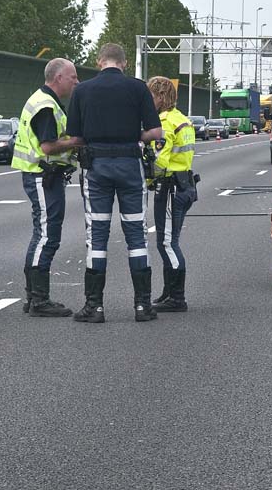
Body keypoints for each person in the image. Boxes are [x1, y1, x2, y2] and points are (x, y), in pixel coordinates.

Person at [66, 43, 163, 323]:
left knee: (96, 235)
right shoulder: (137, 88)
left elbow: (75, 137)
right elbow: (155, 131)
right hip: (130, 166)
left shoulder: (82, 91)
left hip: (96, 167)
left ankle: (94, 307)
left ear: (99, 62)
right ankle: (143, 306)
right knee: (136, 234)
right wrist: (134, 137)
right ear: (125, 63)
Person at [11, 58, 82, 317]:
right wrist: (77, 141)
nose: (76, 81)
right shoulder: (45, 106)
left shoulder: (46, 101)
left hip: (42, 176)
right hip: (43, 175)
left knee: (42, 234)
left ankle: (34, 297)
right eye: (73, 76)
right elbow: (48, 146)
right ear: (58, 77)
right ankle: (39, 300)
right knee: (46, 236)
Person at [145, 76, 197, 313]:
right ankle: (168, 293)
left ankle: (177, 297)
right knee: (168, 241)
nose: (148, 101)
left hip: (170, 187)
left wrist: (145, 179)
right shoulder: (182, 119)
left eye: (151, 96)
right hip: (184, 185)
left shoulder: (164, 122)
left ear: (161, 96)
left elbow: (159, 163)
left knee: (167, 242)